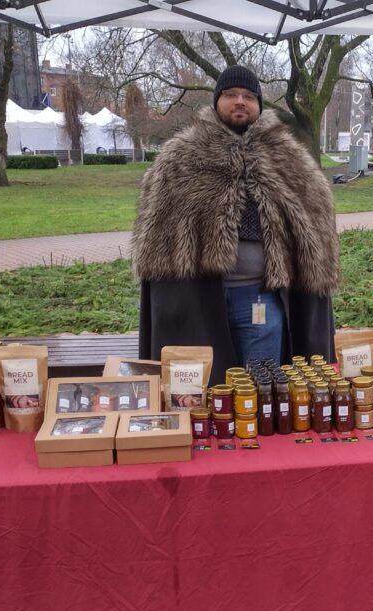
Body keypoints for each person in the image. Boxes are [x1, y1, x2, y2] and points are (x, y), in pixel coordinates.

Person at [131, 64, 339, 382]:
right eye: (230, 94)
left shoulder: (290, 159)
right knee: (203, 392)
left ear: (259, 105)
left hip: (260, 299)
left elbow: (315, 223)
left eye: (248, 96)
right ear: (216, 101)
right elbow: (157, 234)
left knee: (261, 385)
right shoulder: (181, 157)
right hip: (198, 300)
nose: (240, 101)